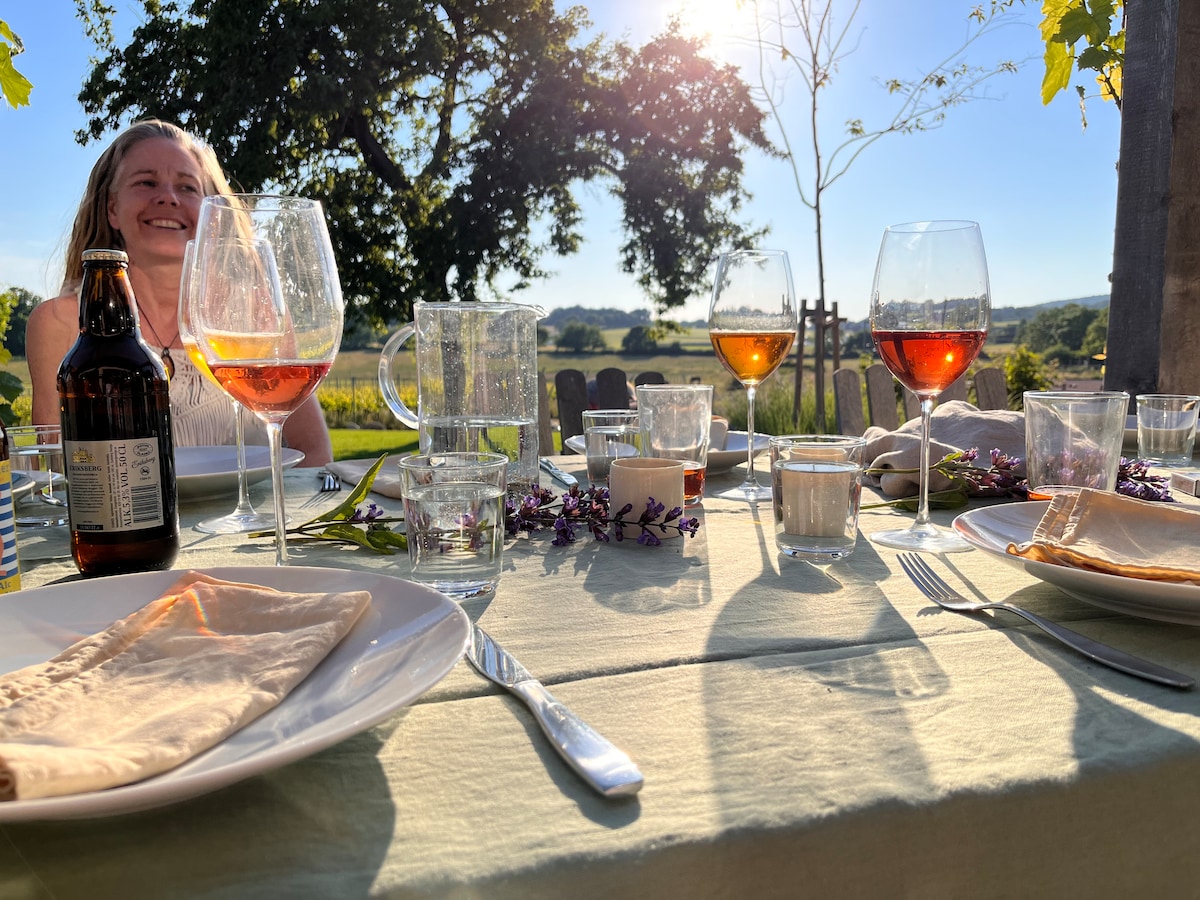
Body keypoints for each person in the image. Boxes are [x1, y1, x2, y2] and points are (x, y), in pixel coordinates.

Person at [26, 119, 333, 466]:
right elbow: (52, 469)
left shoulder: (256, 315)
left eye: (187, 187)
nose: (168, 198)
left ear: (210, 212)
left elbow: (316, 454)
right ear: (112, 209)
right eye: (146, 182)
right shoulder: (61, 323)